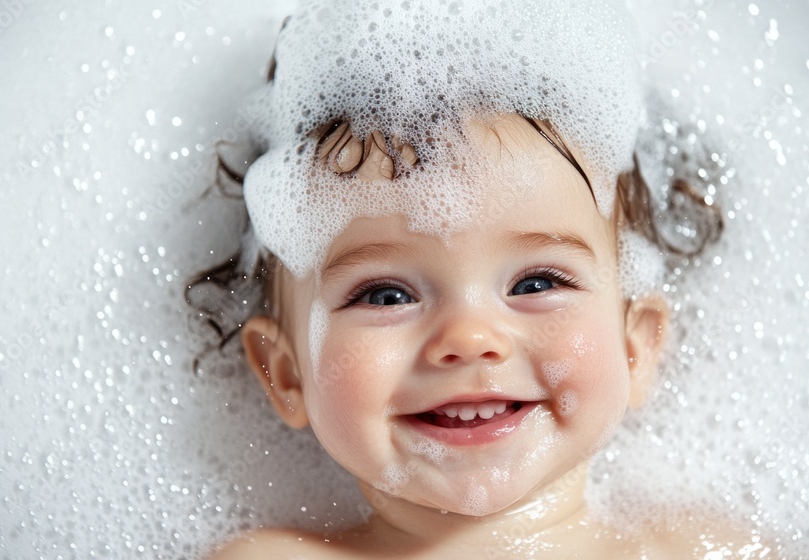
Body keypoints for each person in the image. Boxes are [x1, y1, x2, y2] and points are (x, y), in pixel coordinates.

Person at [193, 1, 770, 557]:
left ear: (634, 347)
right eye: (386, 295)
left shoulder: (713, 550)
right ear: (287, 374)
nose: (468, 336)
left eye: (537, 284)